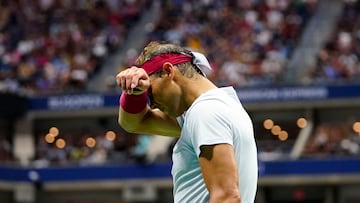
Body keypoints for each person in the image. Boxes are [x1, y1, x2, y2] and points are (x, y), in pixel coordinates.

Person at [116, 41, 258, 203]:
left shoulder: (206, 112)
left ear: (168, 71)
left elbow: (227, 197)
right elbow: (134, 123)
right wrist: (134, 93)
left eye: (150, 93)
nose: (152, 104)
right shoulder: (219, 106)